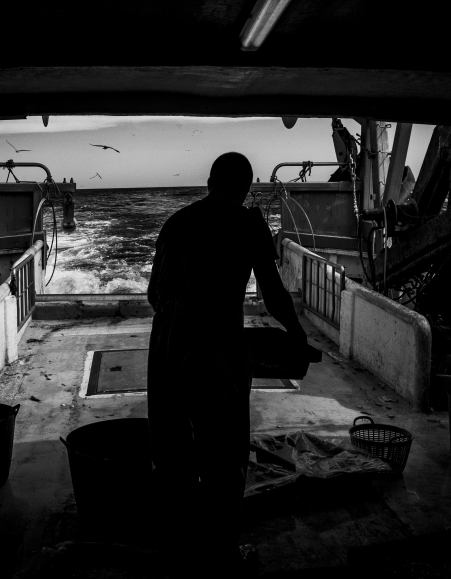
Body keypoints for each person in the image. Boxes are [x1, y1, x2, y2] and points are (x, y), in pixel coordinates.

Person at [147, 152, 306, 575]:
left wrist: (177, 320)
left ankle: (176, 549)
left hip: (165, 334)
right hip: (217, 332)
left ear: (209, 181)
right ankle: (222, 555)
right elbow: (272, 293)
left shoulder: (177, 221)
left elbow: (152, 293)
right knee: (224, 444)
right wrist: (297, 334)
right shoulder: (248, 222)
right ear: (246, 187)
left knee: (172, 441)